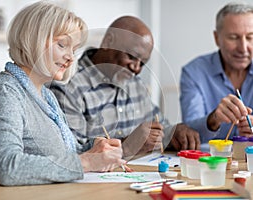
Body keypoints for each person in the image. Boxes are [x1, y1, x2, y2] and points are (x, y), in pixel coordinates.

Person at [0, 1, 126, 187]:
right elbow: (7, 167)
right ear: (32, 39)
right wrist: (87, 162)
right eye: (62, 45)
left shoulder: (46, 95)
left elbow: (63, 155)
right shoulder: (4, 94)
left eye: (73, 50)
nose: (70, 57)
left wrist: (93, 148)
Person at [49, 16, 200, 160]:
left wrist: (174, 133)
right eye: (132, 57)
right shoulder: (68, 87)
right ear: (108, 42)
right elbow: (71, 154)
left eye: (142, 63)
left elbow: (160, 127)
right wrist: (127, 146)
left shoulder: (135, 84)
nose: (136, 68)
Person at [180, 2, 253, 144]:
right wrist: (213, 120)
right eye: (233, 37)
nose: (243, 48)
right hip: (212, 162)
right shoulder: (194, 72)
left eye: (250, 37)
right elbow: (189, 132)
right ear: (216, 38)